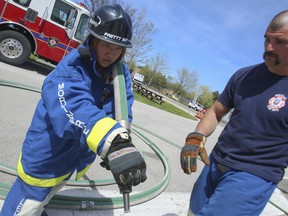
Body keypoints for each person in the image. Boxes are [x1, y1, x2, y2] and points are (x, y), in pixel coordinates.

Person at [0, 4, 146, 216]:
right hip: (46, 159)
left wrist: (122, 142)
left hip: (72, 160)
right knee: (24, 208)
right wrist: (112, 142)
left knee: (47, 199)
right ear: (93, 39)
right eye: (106, 44)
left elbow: (122, 108)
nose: (111, 54)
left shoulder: (120, 74)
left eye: (117, 48)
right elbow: (74, 108)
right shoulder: (71, 68)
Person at [180, 10, 288, 216]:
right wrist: (196, 138)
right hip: (215, 163)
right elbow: (216, 110)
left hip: (254, 176)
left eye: (279, 41)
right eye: (266, 39)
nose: (268, 47)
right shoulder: (244, 75)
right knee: (193, 212)